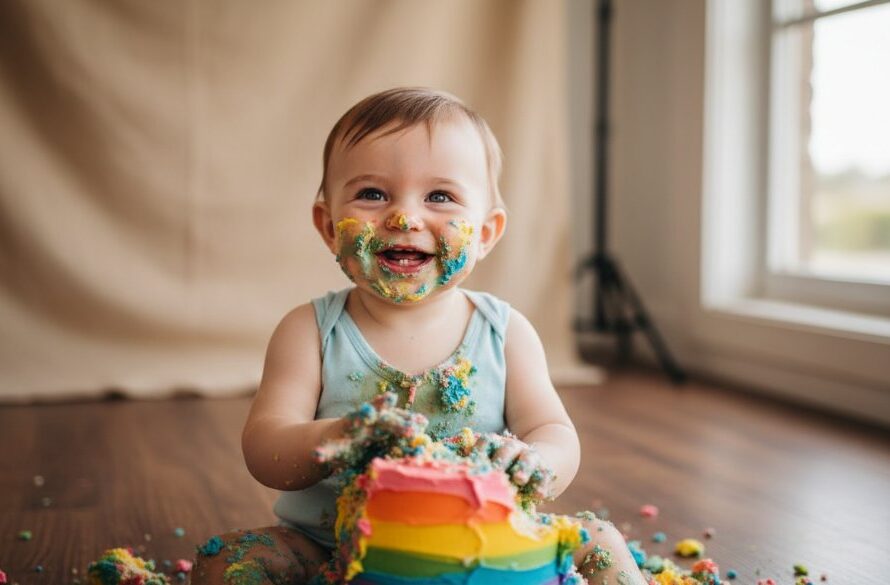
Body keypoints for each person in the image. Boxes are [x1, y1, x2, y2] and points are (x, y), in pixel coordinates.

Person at [192, 87, 646, 585]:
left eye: (440, 197)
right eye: (372, 194)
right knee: (228, 561)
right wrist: (337, 438)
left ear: (486, 233)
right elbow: (265, 451)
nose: (404, 218)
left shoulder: (505, 332)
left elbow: (556, 434)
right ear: (327, 226)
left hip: (488, 551)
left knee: (601, 541)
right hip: (336, 551)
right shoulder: (309, 331)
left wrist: (533, 460)